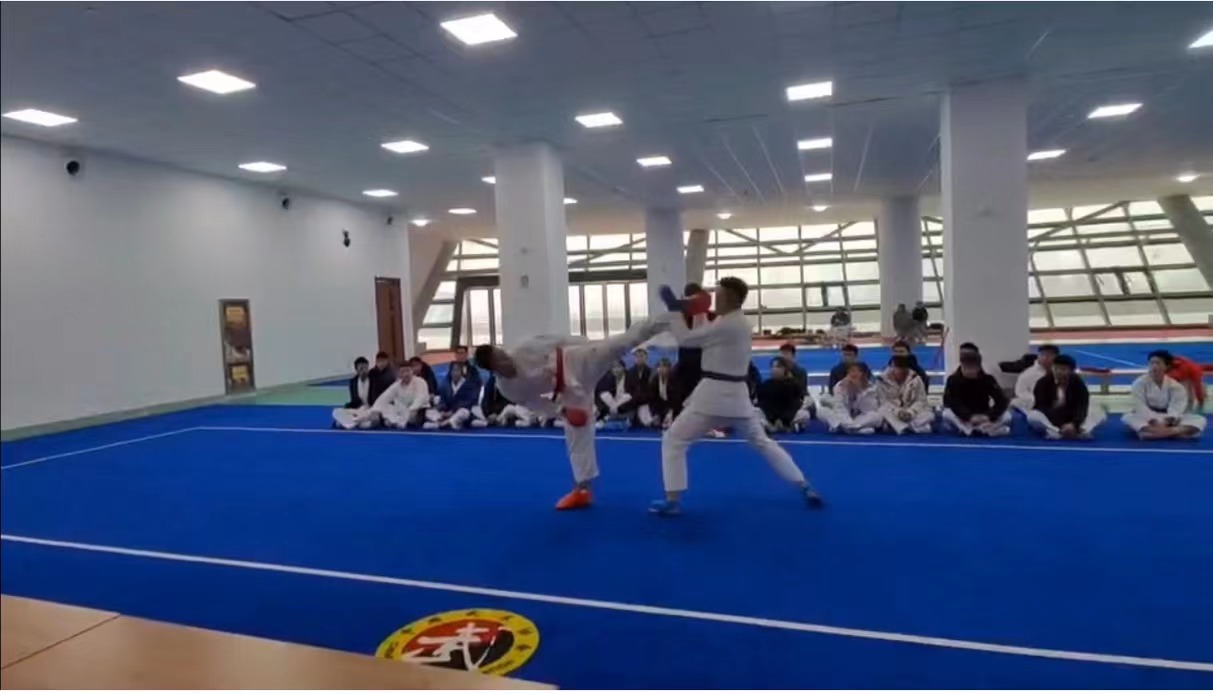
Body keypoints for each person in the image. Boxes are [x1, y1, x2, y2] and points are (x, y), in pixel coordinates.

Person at [651, 278, 823, 516]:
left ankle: (672, 501)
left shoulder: (729, 325)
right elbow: (703, 332)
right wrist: (694, 309)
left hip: (711, 396)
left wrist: (674, 310)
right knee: (763, 443)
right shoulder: (733, 322)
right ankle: (804, 485)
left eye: (718, 295)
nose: (714, 298)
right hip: (736, 398)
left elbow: (687, 340)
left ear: (730, 298)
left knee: (673, 440)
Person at [474, 313, 671, 510]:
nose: (506, 358)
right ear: (493, 369)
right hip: (567, 393)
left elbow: (559, 339)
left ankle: (669, 318)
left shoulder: (524, 349)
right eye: (499, 360)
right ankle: (582, 491)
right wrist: (562, 411)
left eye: (502, 353)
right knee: (576, 436)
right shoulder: (508, 388)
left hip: (576, 362)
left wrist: (585, 344)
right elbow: (536, 403)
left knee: (619, 344)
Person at [1124, 351, 1207, 440]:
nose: (1154, 366)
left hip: (1169, 418)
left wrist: (1169, 420)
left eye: (1158, 363)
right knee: (1129, 417)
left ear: (1167, 367)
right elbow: (1139, 405)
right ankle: (1175, 433)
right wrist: (1153, 420)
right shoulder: (1139, 383)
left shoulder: (1175, 386)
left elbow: (1177, 407)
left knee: (1199, 420)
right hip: (1148, 418)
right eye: (1152, 363)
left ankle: (1156, 434)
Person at [1026, 354, 1105, 440]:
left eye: (1063, 369)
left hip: (1072, 417)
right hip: (1051, 418)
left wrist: (1074, 424)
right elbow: (1041, 406)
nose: (1058, 372)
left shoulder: (1078, 383)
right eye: (1055, 368)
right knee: (1032, 415)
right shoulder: (1043, 383)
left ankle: (1082, 430)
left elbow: (1082, 405)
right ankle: (1057, 432)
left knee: (1098, 411)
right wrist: (1061, 426)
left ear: (1071, 371)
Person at [942, 353, 1011, 437]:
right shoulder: (953, 380)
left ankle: (985, 428)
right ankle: (968, 429)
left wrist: (989, 416)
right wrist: (968, 417)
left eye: (971, 368)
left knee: (1007, 416)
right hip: (963, 417)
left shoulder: (988, 379)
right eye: (965, 368)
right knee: (946, 413)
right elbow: (950, 402)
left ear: (978, 368)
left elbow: (1002, 401)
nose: (968, 371)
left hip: (984, 415)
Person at [819, 362, 883, 434]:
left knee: (877, 416)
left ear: (864, 374)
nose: (853, 374)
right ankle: (850, 428)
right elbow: (840, 407)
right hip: (843, 418)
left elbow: (868, 410)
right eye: (850, 371)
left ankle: (850, 428)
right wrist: (848, 422)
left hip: (860, 418)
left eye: (856, 371)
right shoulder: (840, 386)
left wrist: (860, 390)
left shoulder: (871, 388)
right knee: (821, 410)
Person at [877, 355, 933, 434]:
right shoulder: (882, 381)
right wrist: (898, 411)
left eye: (902, 370)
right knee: (882, 410)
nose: (899, 372)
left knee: (929, 415)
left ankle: (905, 426)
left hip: (911, 413)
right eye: (896, 368)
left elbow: (921, 400)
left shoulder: (916, 379)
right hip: (893, 412)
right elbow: (883, 402)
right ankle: (905, 428)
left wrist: (910, 412)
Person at [425, 362, 484, 430]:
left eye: (457, 370)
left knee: (464, 412)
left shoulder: (468, 385)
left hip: (459, 412)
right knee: (428, 412)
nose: (455, 373)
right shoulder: (445, 385)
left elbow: (468, 403)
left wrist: (452, 411)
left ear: (461, 372)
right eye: (453, 370)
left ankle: (446, 423)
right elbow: (443, 401)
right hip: (446, 413)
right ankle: (442, 422)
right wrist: (440, 410)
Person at [372, 361, 430, 429]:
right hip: (403, 411)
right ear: (399, 373)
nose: (405, 374)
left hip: (418, 410)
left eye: (408, 371)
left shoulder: (420, 381)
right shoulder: (396, 385)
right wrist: (375, 410)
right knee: (384, 408)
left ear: (412, 371)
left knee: (413, 418)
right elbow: (384, 397)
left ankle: (397, 422)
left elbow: (421, 398)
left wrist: (413, 409)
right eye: (403, 371)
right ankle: (396, 421)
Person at [757, 358, 809, 433]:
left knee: (804, 414)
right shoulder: (765, 385)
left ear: (784, 369)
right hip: (770, 419)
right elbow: (763, 404)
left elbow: (794, 405)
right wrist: (774, 419)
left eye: (778, 367)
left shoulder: (792, 385)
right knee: (755, 412)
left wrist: (784, 420)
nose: (775, 369)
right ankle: (770, 427)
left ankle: (789, 426)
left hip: (789, 418)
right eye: (773, 367)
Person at [332, 357, 376, 430]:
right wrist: (348, 407)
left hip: (370, 409)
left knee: (368, 423)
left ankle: (352, 422)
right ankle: (354, 421)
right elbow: (354, 401)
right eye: (361, 368)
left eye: (366, 368)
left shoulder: (374, 380)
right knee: (337, 411)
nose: (364, 370)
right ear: (356, 370)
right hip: (358, 409)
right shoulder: (353, 382)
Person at [1012, 344, 1059, 413]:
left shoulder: (1061, 372)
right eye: (1042, 354)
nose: (1045, 358)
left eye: (1049, 355)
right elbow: (1020, 392)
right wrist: (1036, 399)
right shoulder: (1028, 374)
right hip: (1035, 407)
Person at [595, 360, 638, 429]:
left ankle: (608, 417)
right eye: (614, 368)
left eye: (618, 367)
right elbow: (599, 393)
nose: (616, 370)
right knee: (604, 394)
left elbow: (635, 395)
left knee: (627, 396)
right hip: (612, 405)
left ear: (623, 368)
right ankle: (609, 416)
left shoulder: (631, 377)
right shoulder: (608, 377)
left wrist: (619, 406)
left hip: (625, 405)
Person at [638, 357, 675, 429]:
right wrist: (655, 414)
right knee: (643, 408)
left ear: (669, 368)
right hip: (659, 406)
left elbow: (677, 398)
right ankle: (656, 420)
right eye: (660, 367)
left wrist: (670, 412)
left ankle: (668, 420)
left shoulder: (674, 379)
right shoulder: (654, 380)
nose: (662, 369)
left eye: (664, 367)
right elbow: (652, 398)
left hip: (672, 406)